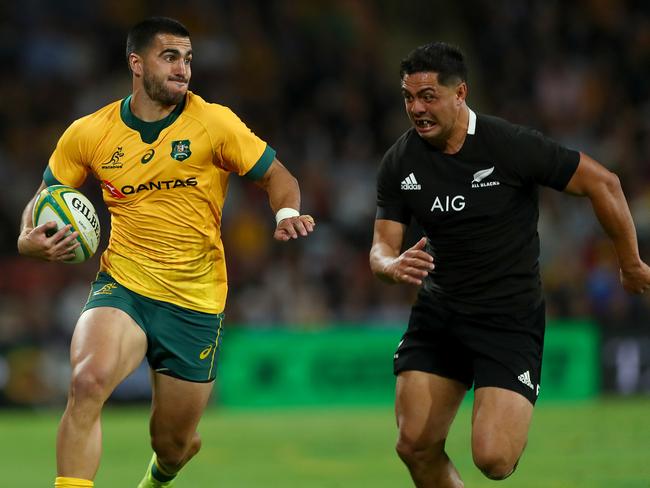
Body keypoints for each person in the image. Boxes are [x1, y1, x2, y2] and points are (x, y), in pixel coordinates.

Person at [17, 17, 314, 488]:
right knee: (87, 382)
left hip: (195, 301)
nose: (183, 69)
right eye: (170, 57)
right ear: (137, 63)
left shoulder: (213, 122)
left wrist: (285, 214)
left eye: (188, 58)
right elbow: (43, 199)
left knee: (172, 444)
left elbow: (279, 176)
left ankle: (163, 471)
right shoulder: (89, 133)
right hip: (124, 286)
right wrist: (26, 238)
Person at [369, 41, 650, 487]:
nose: (416, 108)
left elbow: (605, 183)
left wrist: (631, 263)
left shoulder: (510, 145)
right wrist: (391, 265)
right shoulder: (400, 162)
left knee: (494, 460)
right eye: (408, 97)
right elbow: (381, 247)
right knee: (414, 446)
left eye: (428, 96)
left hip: (507, 320)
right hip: (440, 316)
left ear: (460, 94)